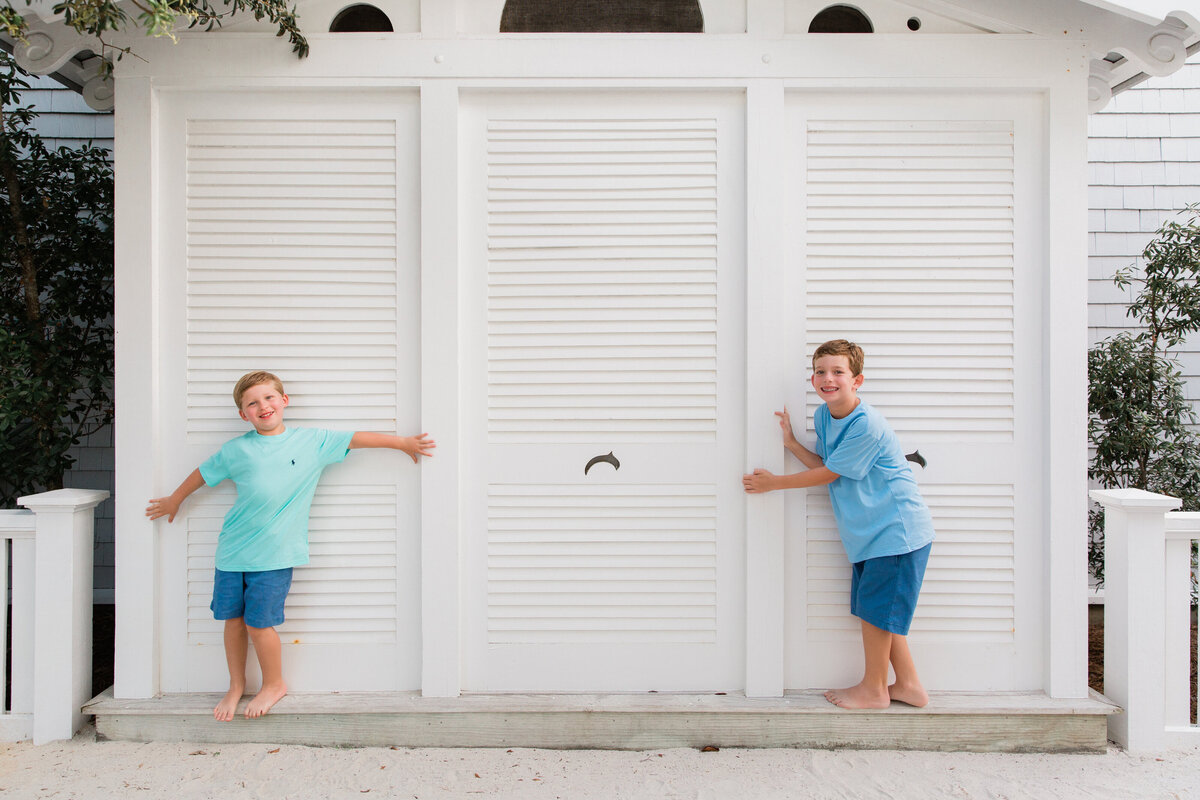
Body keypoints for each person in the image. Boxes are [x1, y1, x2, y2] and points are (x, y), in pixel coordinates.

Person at [145, 371, 435, 721]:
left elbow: (357, 438)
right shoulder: (236, 450)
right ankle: (236, 685)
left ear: (284, 401)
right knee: (232, 622)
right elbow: (203, 474)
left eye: (268, 398)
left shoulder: (311, 442)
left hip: (274, 555)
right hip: (232, 551)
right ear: (243, 415)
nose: (262, 406)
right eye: (252, 403)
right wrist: (175, 499)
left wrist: (402, 443)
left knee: (259, 623)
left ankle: (274, 683)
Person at [742, 339, 934, 709]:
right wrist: (792, 443)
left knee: (877, 613)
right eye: (820, 372)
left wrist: (773, 484)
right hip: (870, 535)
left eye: (838, 372)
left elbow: (830, 475)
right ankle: (909, 685)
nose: (827, 379)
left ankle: (875, 690)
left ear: (857, 380)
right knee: (878, 610)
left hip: (896, 532)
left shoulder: (867, 425)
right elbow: (829, 465)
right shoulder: (824, 417)